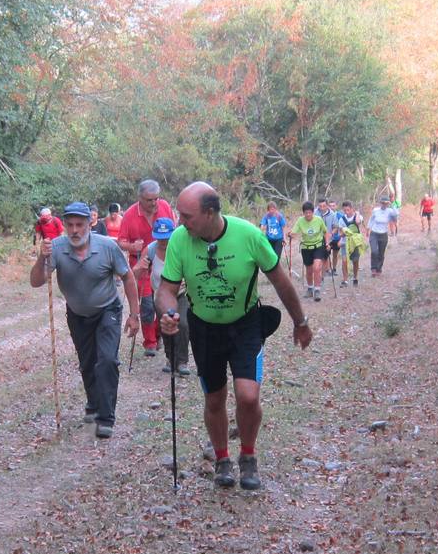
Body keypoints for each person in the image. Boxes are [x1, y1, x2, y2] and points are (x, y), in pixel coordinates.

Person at [156, 182, 311, 491]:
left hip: (245, 324)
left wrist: (300, 321)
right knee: (214, 398)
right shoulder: (179, 240)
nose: (180, 222)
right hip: (203, 328)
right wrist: (169, 313)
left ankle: (248, 456)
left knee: (248, 396)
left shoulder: (249, 236)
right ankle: (223, 459)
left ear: (210, 212)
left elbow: (280, 281)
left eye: (187, 216)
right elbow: (167, 290)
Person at [30, 202, 141, 439]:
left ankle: (105, 416)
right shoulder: (57, 248)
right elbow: (36, 281)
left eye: (79, 225)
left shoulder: (107, 247)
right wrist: (42, 258)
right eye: (69, 225)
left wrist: (134, 314)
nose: (74, 230)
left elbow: (128, 277)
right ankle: (93, 401)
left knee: (107, 360)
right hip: (78, 314)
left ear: (90, 224)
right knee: (87, 362)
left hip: (107, 310)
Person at [117, 180, 174, 356]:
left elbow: (176, 231)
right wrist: (133, 247)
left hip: (164, 259)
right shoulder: (130, 215)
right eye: (149, 200)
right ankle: (149, 342)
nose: (154, 203)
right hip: (142, 263)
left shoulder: (165, 207)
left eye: (156, 198)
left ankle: (159, 335)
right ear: (140, 198)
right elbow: (121, 242)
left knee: (162, 303)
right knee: (147, 305)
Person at [138, 217, 190, 376]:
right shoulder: (151, 249)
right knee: (165, 325)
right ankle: (170, 358)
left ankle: (182, 361)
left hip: (180, 292)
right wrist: (141, 267)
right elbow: (135, 271)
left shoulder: (180, 247)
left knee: (183, 324)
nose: (163, 241)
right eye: (159, 238)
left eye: (166, 237)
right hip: (159, 293)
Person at [290, 201, 327, 301]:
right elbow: (294, 232)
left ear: (313, 212)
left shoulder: (319, 220)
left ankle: (317, 290)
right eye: (306, 212)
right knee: (309, 270)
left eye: (310, 212)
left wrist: (327, 243)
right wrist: (290, 234)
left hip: (318, 246)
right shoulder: (300, 221)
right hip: (306, 248)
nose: (308, 214)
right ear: (303, 213)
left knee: (316, 268)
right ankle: (310, 288)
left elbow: (325, 231)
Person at [368, 196, 400, 277]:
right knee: (374, 251)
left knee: (381, 253)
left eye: (386, 203)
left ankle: (379, 268)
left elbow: (396, 214)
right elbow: (371, 219)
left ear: (388, 204)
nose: (384, 205)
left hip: (383, 234)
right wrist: (368, 229)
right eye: (383, 203)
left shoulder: (390, 211)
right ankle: (373, 269)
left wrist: (392, 205)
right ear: (380, 203)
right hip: (374, 233)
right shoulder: (376, 210)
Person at [338, 201, 365, 287]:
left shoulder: (358, 216)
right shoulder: (342, 219)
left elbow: (357, 222)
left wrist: (357, 213)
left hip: (355, 242)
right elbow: (340, 233)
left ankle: (355, 277)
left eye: (348, 210)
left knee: (355, 261)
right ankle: (345, 280)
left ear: (351, 209)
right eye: (345, 210)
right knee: (344, 261)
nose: (346, 212)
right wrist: (345, 233)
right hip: (345, 242)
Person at [316, 199, 342, 278]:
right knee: (321, 256)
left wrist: (331, 234)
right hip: (318, 238)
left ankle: (330, 270)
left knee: (328, 255)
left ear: (326, 206)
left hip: (330, 238)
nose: (322, 208)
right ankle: (323, 272)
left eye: (324, 206)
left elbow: (336, 226)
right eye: (320, 206)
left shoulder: (333, 214)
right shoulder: (315, 213)